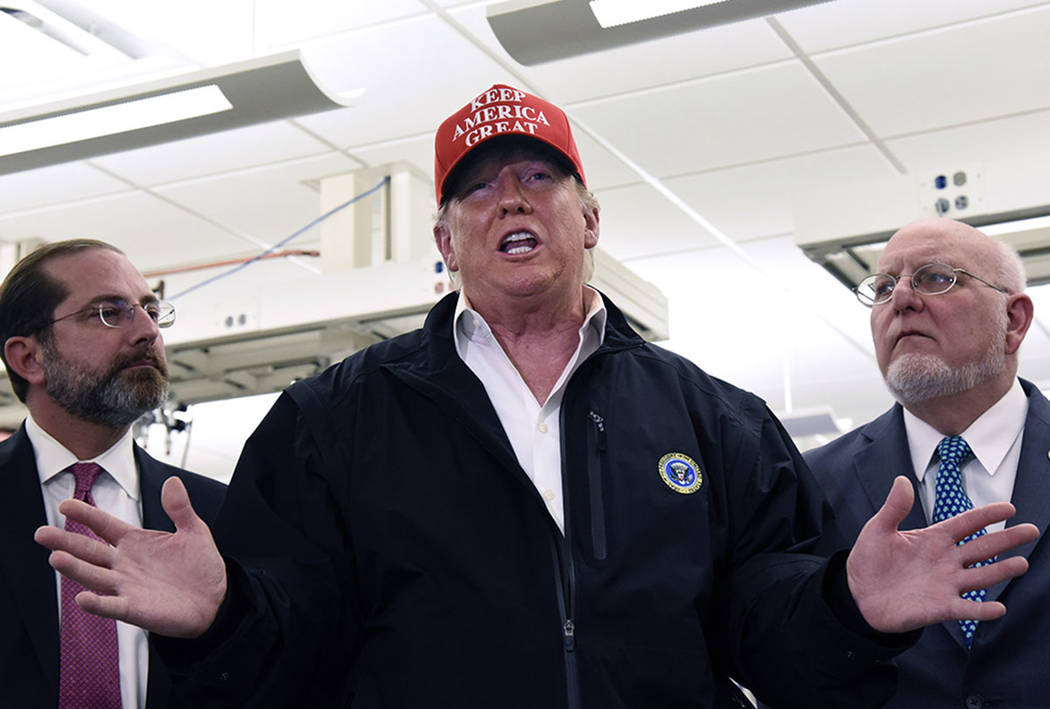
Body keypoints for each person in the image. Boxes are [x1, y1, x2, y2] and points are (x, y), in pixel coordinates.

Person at [35, 87, 1037, 709]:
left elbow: (775, 638)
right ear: (445, 243)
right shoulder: (331, 424)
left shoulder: (715, 420)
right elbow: (286, 648)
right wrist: (222, 617)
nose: (509, 198)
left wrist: (849, 610)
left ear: (588, 216)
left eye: (536, 176)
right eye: (477, 189)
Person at [797, 218, 1048, 707]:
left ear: (1013, 321)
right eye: (885, 286)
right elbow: (784, 665)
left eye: (937, 278)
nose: (902, 300)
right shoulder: (813, 482)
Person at [0, 239, 226, 709]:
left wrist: (215, 627)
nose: (146, 330)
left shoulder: (216, 516)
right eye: (108, 312)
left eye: (149, 310)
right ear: (29, 358)